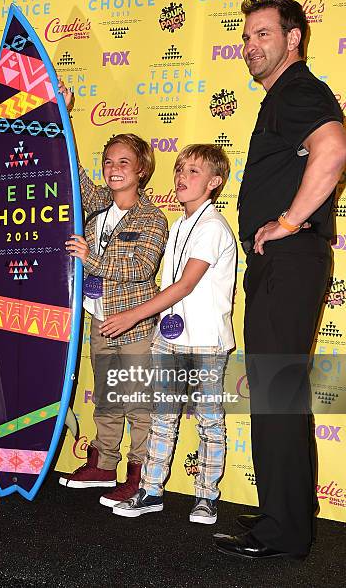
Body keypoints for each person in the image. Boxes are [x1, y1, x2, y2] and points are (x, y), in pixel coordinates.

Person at [213, 0, 346, 559]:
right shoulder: (285, 99)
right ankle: (284, 519)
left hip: (289, 261)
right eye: (246, 37)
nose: (251, 46)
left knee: (276, 390)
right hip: (281, 265)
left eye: (263, 34)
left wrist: (289, 222)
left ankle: (284, 531)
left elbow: (334, 149)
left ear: (294, 39)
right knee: (275, 390)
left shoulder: (298, 92)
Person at [99, 144, 236, 521]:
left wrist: (131, 316)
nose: (181, 177)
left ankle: (206, 496)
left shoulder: (212, 227)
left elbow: (186, 285)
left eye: (193, 171)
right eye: (180, 170)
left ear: (214, 182)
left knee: (209, 419)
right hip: (170, 338)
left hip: (206, 340)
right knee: (162, 418)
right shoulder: (178, 226)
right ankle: (151, 491)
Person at [58, 85, 168, 506]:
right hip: (99, 318)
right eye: (109, 161)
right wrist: (63, 114)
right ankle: (104, 465)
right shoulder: (99, 204)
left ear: (142, 170)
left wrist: (94, 260)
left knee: (138, 402)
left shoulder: (152, 217)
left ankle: (139, 473)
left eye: (125, 162)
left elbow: (141, 268)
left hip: (135, 322)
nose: (114, 167)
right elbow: (74, 172)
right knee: (107, 398)